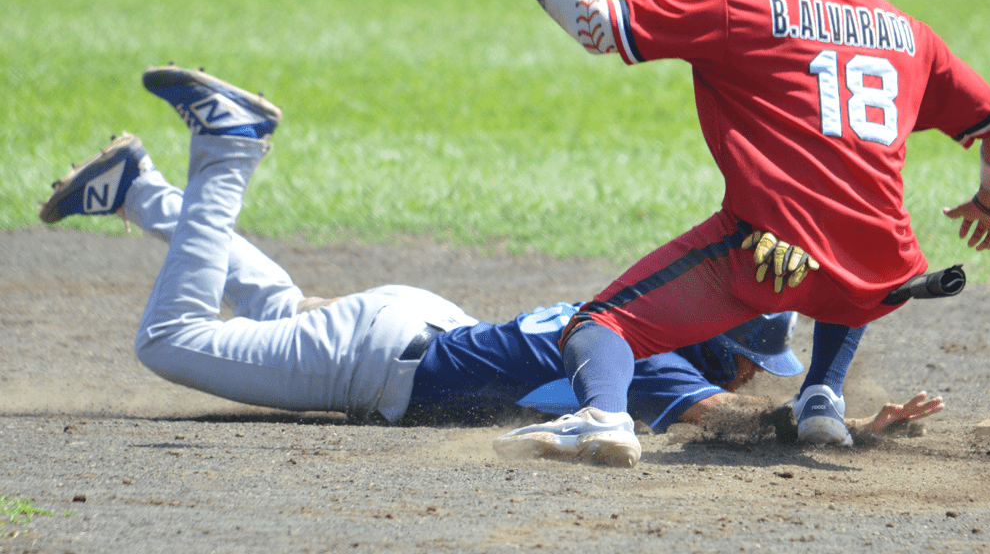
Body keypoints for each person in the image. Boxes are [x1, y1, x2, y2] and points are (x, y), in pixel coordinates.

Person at [37, 65, 942, 449]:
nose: (753, 378)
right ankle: (226, 149)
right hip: (376, 361)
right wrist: (845, 431)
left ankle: (140, 194)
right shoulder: (658, 369)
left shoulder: (631, 334)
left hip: (412, 326)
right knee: (171, 340)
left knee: (278, 313)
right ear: (718, 344)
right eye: (753, 359)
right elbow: (731, 426)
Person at [477, 0, 990, 466]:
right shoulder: (911, 35)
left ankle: (603, 416)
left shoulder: (738, 2)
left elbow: (597, 25)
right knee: (853, 236)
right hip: (884, 276)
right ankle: (822, 399)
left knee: (599, 325)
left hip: (769, 256)